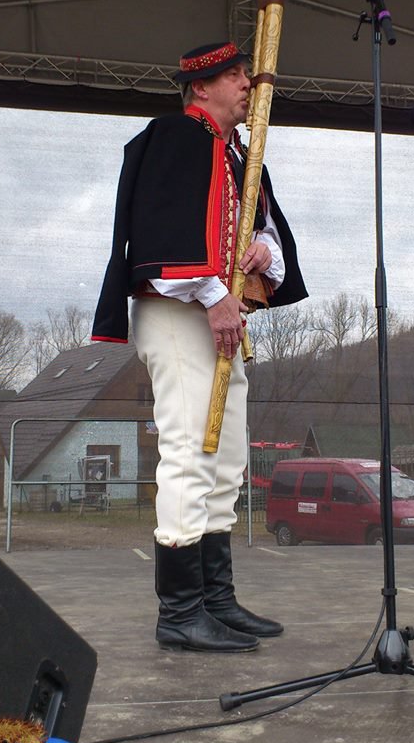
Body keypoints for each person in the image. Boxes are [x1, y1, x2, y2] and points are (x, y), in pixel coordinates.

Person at [92, 41, 308, 652]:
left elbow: (264, 230)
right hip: (178, 313)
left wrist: (264, 250)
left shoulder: (240, 155)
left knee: (227, 457)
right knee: (190, 452)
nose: (247, 84)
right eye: (234, 75)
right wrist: (214, 296)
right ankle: (180, 612)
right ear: (201, 87)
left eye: (246, 73)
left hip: (220, 319)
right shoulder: (172, 137)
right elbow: (158, 230)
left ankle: (216, 600)